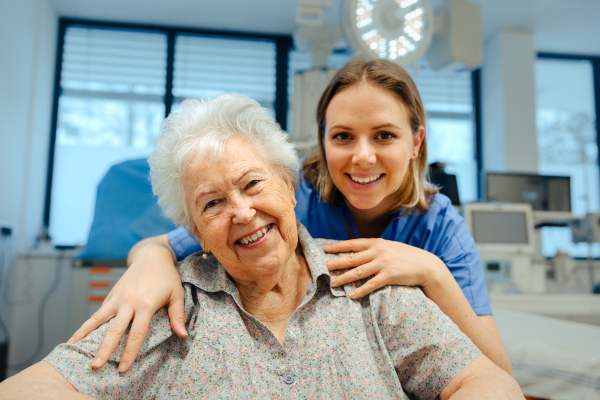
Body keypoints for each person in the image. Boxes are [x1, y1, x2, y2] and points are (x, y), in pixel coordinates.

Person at [0, 95, 523, 399]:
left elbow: (492, 380)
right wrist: (149, 256)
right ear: (197, 234)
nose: (242, 212)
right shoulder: (171, 312)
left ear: (289, 186)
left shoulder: (372, 283)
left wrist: (431, 270)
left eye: (253, 185)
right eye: (212, 205)